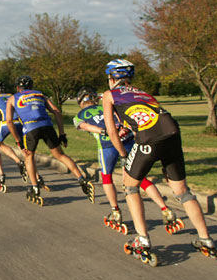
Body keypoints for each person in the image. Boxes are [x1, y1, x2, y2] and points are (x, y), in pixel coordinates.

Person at [101, 59, 217, 262]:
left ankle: (142, 239)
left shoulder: (109, 94)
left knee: (130, 187)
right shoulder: (143, 93)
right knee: (183, 192)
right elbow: (147, 117)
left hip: (150, 139)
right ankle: (206, 239)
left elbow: (112, 132)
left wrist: (124, 155)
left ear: (112, 78)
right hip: (172, 134)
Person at [73, 86, 182, 235]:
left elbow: (84, 126)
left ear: (80, 101)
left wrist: (103, 131)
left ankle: (115, 211)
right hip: (127, 140)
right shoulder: (107, 104)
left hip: (107, 145)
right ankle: (165, 208)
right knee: (139, 176)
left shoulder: (79, 115)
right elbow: (124, 118)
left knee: (107, 177)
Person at [5, 75, 94, 205]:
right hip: (47, 125)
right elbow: (57, 111)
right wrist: (62, 134)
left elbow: (8, 120)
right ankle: (82, 179)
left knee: (29, 156)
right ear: (31, 86)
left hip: (30, 127)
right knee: (60, 155)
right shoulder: (40, 94)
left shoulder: (13, 98)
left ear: (18, 88)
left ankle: (35, 188)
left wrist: (18, 140)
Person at [0, 81, 31, 191]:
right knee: (23, 148)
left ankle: (1, 175)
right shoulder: (12, 96)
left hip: (5, 123)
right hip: (20, 122)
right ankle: (36, 176)